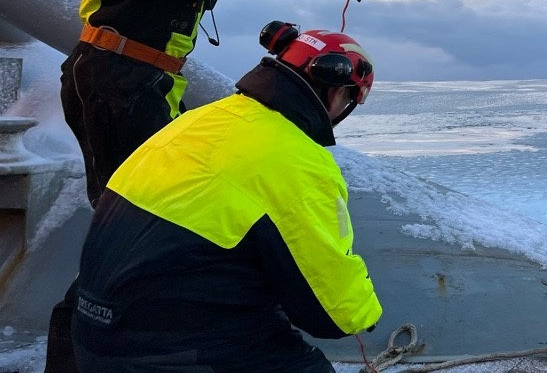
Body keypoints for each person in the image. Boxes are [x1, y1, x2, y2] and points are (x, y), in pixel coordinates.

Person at [46, 0, 369, 372]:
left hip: (134, 80)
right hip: (119, 78)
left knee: (138, 222)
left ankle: (129, 340)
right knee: (132, 226)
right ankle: (97, 350)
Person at [70, 22, 383, 372]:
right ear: (337, 93)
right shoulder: (299, 161)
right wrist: (365, 312)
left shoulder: (198, 121)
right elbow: (331, 315)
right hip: (167, 355)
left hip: (90, 336)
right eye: (349, 100)